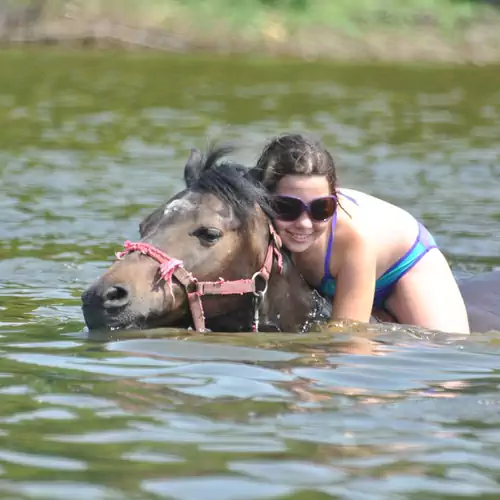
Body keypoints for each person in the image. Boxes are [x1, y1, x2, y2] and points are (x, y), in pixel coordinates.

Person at [253, 133, 470, 334]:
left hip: (405, 267)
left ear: (334, 199)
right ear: (263, 199)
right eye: (287, 207)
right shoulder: (252, 218)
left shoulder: (352, 239)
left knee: (444, 353)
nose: (305, 224)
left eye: (322, 209)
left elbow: (348, 338)